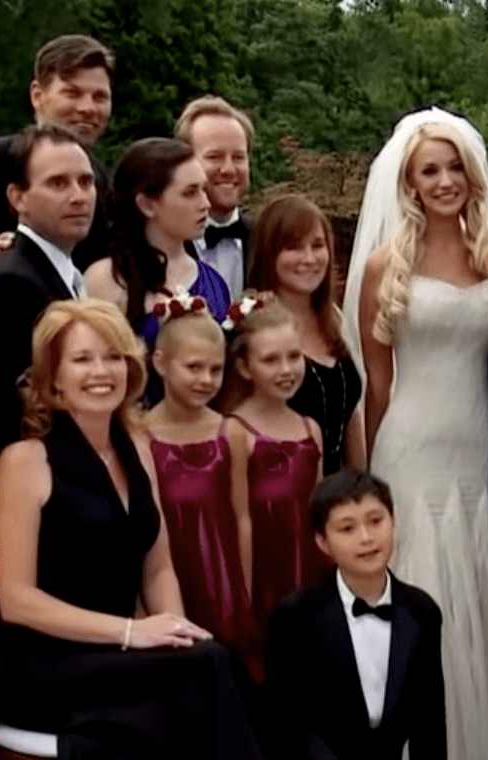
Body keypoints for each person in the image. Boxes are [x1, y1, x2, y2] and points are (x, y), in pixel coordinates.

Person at [0, 298, 304, 760]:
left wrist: (174, 631)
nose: (101, 370)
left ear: (133, 368)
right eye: (82, 359)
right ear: (52, 375)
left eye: (112, 356)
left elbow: (157, 565)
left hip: (113, 663)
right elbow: (16, 600)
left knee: (205, 661)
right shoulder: (24, 462)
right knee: (210, 668)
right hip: (43, 667)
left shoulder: (134, 449)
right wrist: (136, 634)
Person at [343, 107, 488, 760]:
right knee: (416, 602)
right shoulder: (382, 267)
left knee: (477, 594)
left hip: (480, 446)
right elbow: (375, 381)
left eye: (453, 167)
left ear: (471, 177)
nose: (442, 181)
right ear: (407, 182)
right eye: (427, 170)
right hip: (409, 447)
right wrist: (365, 479)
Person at [266, 471, 447, 760]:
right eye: (347, 528)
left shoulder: (421, 612)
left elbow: (428, 720)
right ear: (323, 543)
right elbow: (282, 709)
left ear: (394, 522)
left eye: (375, 521)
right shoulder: (297, 614)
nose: (366, 537)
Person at [0, 124, 97, 475]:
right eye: (58, 183)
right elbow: (6, 412)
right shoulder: (11, 283)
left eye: (86, 182)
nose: (79, 196)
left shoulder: (60, 271)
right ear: (17, 198)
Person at [143, 299, 255, 659]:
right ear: (160, 362)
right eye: (193, 367)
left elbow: (241, 516)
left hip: (220, 578)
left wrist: (244, 591)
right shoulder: (141, 435)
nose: (205, 380)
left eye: (215, 369)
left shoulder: (230, 432)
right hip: (167, 572)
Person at [222, 296, 326, 680]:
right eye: (270, 360)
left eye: (294, 357)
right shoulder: (235, 432)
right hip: (265, 576)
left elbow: (321, 513)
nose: (286, 370)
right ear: (244, 367)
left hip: (310, 575)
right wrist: (245, 595)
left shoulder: (309, 428)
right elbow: (240, 519)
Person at [0, 34, 114, 267]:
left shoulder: (104, 186)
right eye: (72, 93)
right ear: (37, 95)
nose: (88, 108)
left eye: (100, 97)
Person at [245, 195, 363, 474]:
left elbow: (351, 415)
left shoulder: (333, 318)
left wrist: (362, 487)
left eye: (318, 246)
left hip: (338, 495)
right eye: (294, 248)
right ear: (268, 253)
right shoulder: (254, 324)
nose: (309, 259)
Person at [85, 138, 230, 347]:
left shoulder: (214, 282)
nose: (205, 204)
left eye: (203, 190)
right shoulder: (107, 279)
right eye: (190, 193)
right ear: (146, 205)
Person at [178, 95, 255, 294]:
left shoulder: (268, 243)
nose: (229, 169)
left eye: (238, 157)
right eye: (214, 157)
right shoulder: (162, 246)